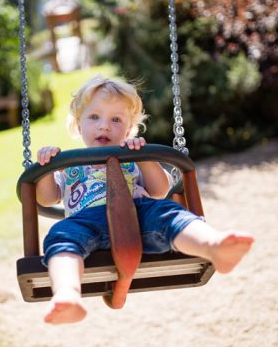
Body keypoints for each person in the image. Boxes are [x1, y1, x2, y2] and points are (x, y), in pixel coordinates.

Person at [36, 75, 255, 325]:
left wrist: (144, 157)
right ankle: (67, 294)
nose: (104, 126)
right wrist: (46, 165)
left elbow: (159, 189)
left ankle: (213, 246)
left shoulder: (133, 156)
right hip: (85, 223)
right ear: (78, 124)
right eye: (94, 117)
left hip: (139, 216)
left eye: (116, 119)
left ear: (129, 129)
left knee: (169, 213)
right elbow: (47, 196)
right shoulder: (68, 164)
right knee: (60, 235)